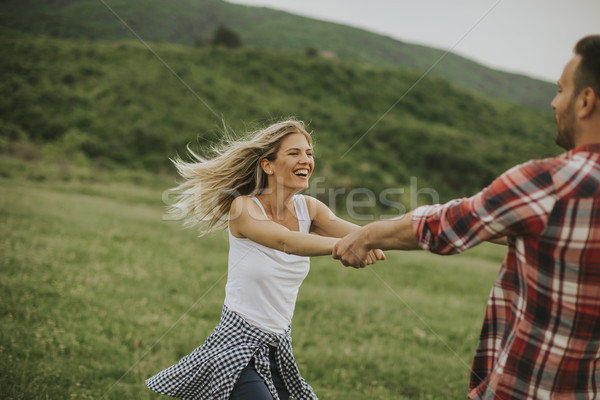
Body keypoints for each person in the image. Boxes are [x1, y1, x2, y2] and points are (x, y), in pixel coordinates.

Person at [333, 34, 600, 399]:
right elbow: (564, 238)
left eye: (561, 90)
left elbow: (446, 224)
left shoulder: (551, 181)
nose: (554, 103)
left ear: (585, 100)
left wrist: (368, 235)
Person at [146, 119, 384, 400]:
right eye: (294, 153)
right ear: (268, 165)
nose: (305, 160)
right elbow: (286, 241)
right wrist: (347, 247)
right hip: (237, 345)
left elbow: (367, 235)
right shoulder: (244, 207)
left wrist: (424, 232)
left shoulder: (310, 208)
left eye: (309, 153)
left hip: (279, 347)